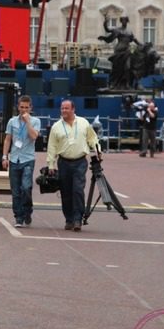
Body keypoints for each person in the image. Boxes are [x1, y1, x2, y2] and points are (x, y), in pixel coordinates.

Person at [46, 98, 102, 231]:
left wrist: (97, 150)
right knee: (65, 192)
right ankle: (69, 219)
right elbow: (52, 146)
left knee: (77, 190)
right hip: (63, 162)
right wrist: (51, 164)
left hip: (80, 162)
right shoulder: (56, 127)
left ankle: (78, 219)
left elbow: (92, 138)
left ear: (73, 109)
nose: (64, 110)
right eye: (62, 108)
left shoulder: (83, 123)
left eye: (66, 108)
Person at [2, 94, 40, 228]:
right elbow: (8, 139)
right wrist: (4, 157)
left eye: (26, 107)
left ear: (30, 108)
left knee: (26, 187)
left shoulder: (35, 121)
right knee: (16, 191)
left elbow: (34, 136)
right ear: (18, 107)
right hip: (14, 159)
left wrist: (27, 122)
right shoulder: (12, 121)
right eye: (21, 107)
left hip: (28, 159)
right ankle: (18, 217)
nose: (24, 110)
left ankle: (27, 211)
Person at [99, 16, 140, 89]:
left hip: (127, 51)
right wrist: (105, 22)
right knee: (116, 68)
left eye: (125, 20)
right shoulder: (117, 30)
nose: (124, 22)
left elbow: (135, 40)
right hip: (118, 51)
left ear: (127, 21)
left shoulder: (129, 31)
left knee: (128, 67)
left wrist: (143, 45)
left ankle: (128, 84)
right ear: (121, 22)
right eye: (123, 21)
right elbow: (108, 30)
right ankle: (112, 83)